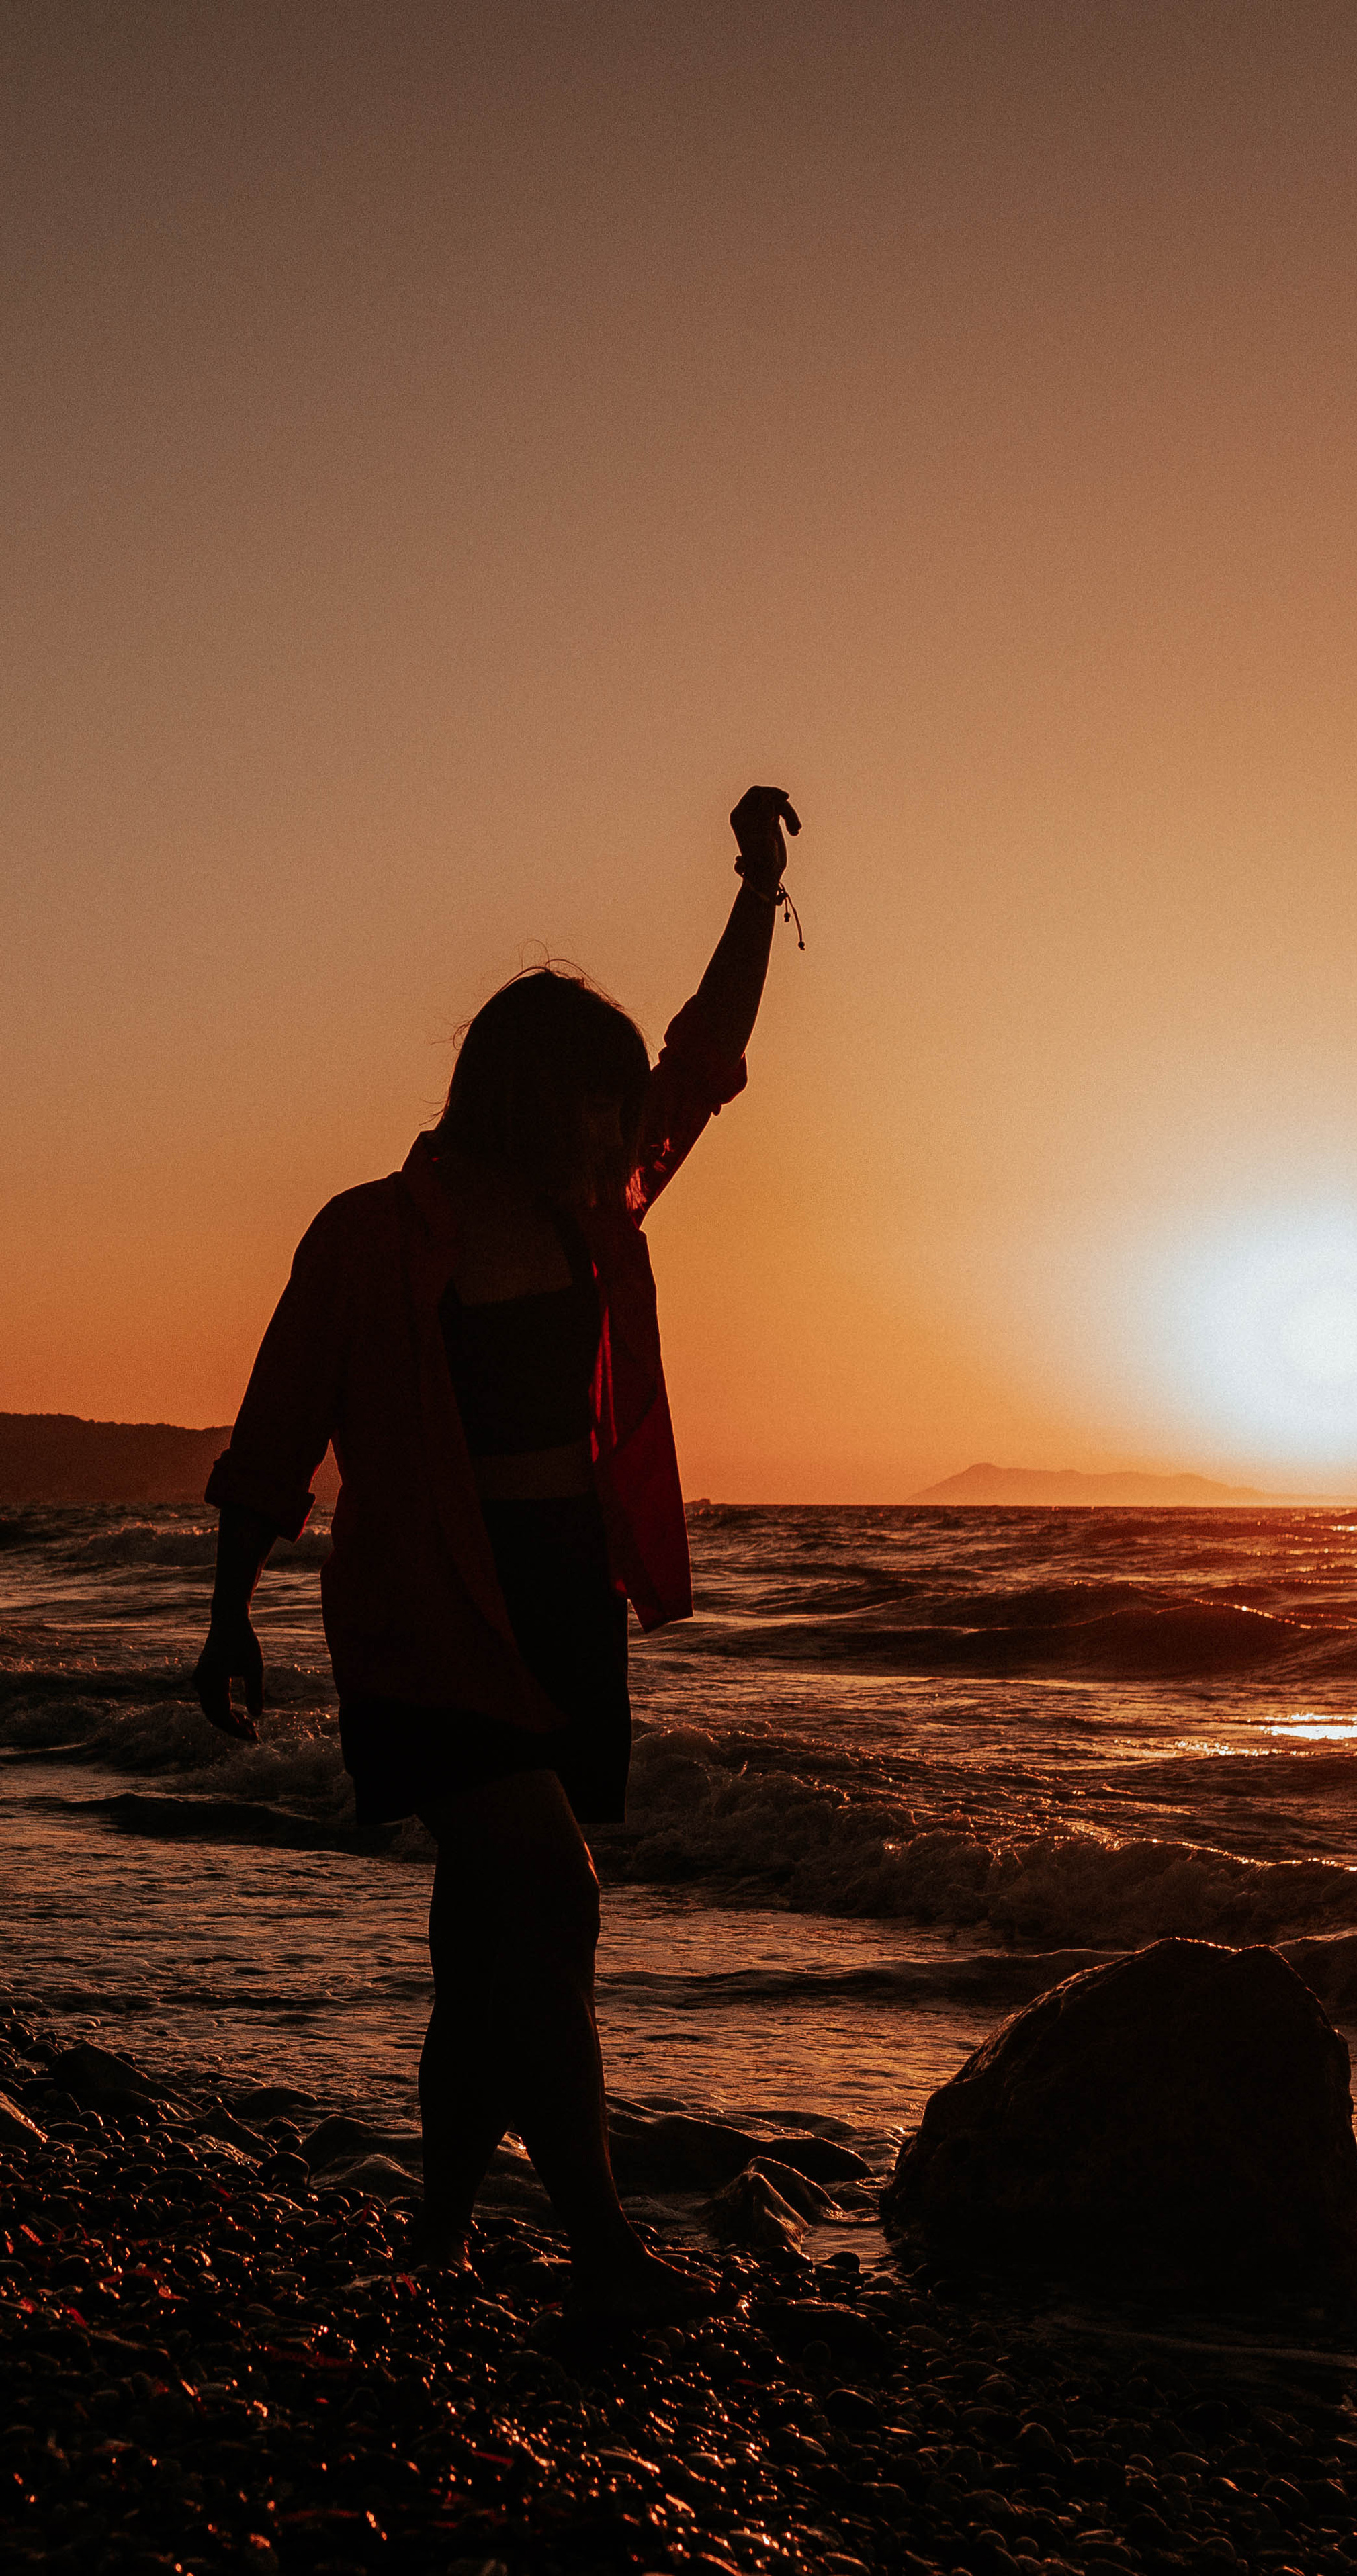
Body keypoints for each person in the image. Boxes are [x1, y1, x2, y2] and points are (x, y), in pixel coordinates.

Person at [192, 785, 802, 2316]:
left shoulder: (597, 1208)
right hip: (420, 1608)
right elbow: (278, 1427)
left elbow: (705, 1060)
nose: (619, 1124)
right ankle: (602, 2249)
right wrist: (229, 1614)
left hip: (559, 1600)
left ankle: (438, 2237)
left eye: (621, 1108)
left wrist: (756, 887)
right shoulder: (369, 1234)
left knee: (491, 1939)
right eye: (594, 1102)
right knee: (552, 1890)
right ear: (526, 1094)